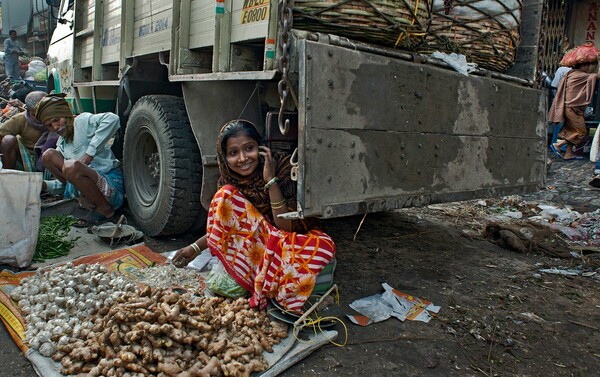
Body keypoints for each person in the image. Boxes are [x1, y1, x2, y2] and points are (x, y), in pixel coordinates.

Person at [172, 120, 336, 313]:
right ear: (224, 158)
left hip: (288, 239)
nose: (242, 158)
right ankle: (263, 281)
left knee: (323, 246)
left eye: (249, 148)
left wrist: (271, 181)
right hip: (259, 249)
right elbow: (228, 226)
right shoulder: (229, 182)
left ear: (261, 147)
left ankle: (270, 284)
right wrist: (195, 248)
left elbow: (284, 226)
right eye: (233, 153)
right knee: (224, 195)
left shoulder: (282, 167)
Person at [36, 93, 124, 227]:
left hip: (109, 187)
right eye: (49, 125)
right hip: (85, 193)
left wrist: (89, 154)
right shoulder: (62, 143)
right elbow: (70, 179)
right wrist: (43, 185)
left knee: (71, 166)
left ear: (64, 114)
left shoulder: (82, 121)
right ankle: (86, 203)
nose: (55, 127)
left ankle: (105, 209)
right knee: (48, 155)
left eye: (56, 119)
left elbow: (112, 119)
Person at [548, 53, 600, 160]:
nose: (589, 67)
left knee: (572, 130)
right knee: (581, 132)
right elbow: (598, 76)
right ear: (582, 66)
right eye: (587, 65)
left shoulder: (572, 73)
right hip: (573, 108)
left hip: (570, 107)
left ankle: (568, 154)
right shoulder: (580, 75)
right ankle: (558, 144)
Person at [0, 91, 52, 171]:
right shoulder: (20, 119)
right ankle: (10, 176)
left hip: (50, 157)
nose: (41, 118)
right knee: (8, 140)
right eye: (35, 115)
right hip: (25, 157)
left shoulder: (56, 118)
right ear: (28, 110)